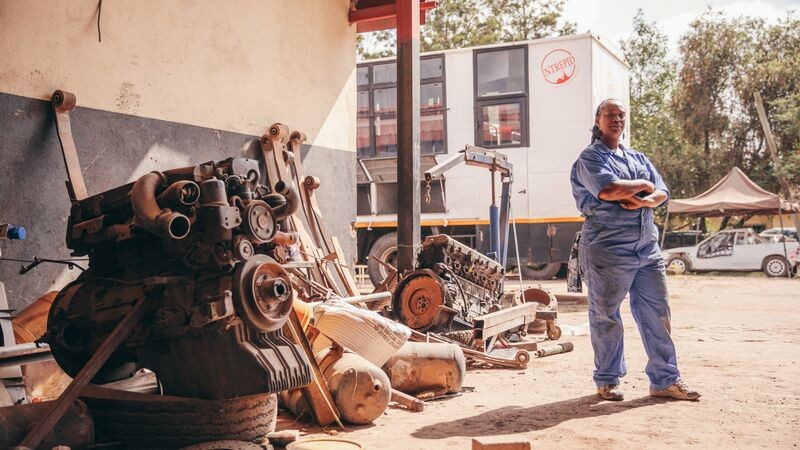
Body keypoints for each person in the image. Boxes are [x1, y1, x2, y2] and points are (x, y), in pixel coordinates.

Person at [570, 99, 700, 401]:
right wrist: (642, 184)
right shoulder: (590, 158)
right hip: (607, 247)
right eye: (609, 115)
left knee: (657, 314)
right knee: (606, 316)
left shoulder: (637, 157)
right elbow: (608, 190)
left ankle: (665, 380)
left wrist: (644, 199)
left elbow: (662, 192)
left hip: (646, 248)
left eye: (620, 115)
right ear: (598, 120)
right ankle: (607, 380)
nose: (616, 119)